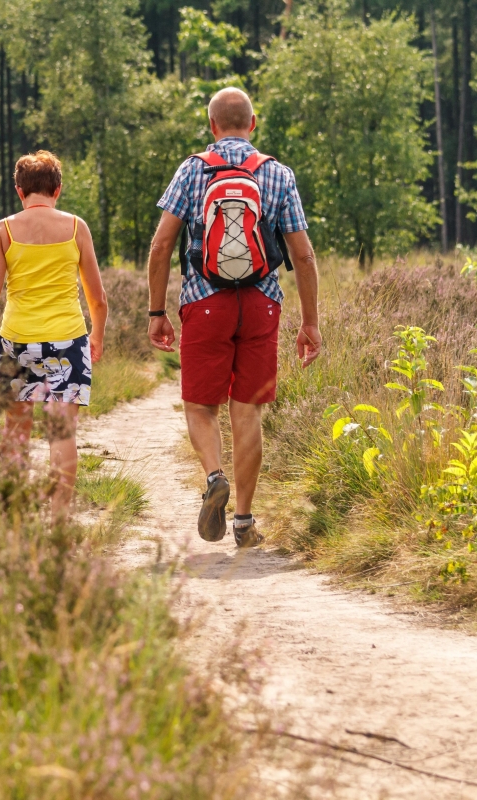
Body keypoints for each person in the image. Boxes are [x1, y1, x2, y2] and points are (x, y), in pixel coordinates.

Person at [146, 87, 322, 547]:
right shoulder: (278, 175)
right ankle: (243, 522)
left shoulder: (192, 170)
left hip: (204, 301)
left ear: (212, 127)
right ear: (254, 123)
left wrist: (157, 311)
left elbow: (161, 245)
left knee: (200, 406)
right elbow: (302, 256)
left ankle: (213, 476)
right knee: (248, 412)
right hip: (261, 303)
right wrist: (310, 322)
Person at [0, 150, 108, 521]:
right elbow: (97, 297)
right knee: (61, 434)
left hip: (17, 343)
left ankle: (13, 519)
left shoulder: (3, 230)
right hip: (68, 340)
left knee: (16, 431)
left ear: (19, 191)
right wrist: (96, 336)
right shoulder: (78, 228)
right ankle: (60, 521)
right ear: (58, 189)